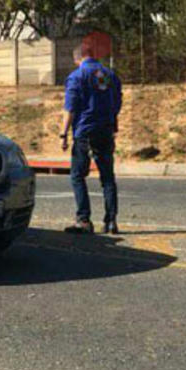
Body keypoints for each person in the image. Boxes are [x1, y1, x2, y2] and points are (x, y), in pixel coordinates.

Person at [61, 42, 123, 234]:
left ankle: (84, 219)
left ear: (77, 59)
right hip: (105, 130)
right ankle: (111, 221)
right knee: (107, 177)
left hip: (85, 131)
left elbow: (70, 108)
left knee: (78, 175)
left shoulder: (77, 76)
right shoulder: (109, 75)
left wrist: (63, 133)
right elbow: (117, 102)